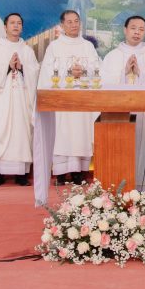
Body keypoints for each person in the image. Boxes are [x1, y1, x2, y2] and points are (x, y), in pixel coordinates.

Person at [100, 15, 145, 192]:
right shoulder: (113, 56)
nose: (137, 32)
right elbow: (104, 83)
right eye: (133, 28)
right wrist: (123, 72)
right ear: (125, 30)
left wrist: (140, 73)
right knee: (121, 150)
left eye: (141, 29)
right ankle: (119, 188)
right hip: (119, 114)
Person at [37, 10, 100, 185]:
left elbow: (97, 68)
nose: (74, 25)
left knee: (81, 135)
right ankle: (60, 173)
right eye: (69, 22)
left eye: (76, 21)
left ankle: (79, 173)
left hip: (82, 100)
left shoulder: (87, 46)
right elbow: (48, 72)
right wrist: (68, 73)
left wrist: (83, 71)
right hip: (62, 100)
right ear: (62, 25)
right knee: (62, 135)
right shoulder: (55, 46)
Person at [0, 13, 38, 187]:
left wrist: (22, 67)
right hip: (0, 99)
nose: (16, 26)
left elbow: (35, 71)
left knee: (20, 134)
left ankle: (21, 174)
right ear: (5, 26)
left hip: (21, 99)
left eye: (19, 23)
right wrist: (7, 66)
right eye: (12, 23)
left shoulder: (27, 50)